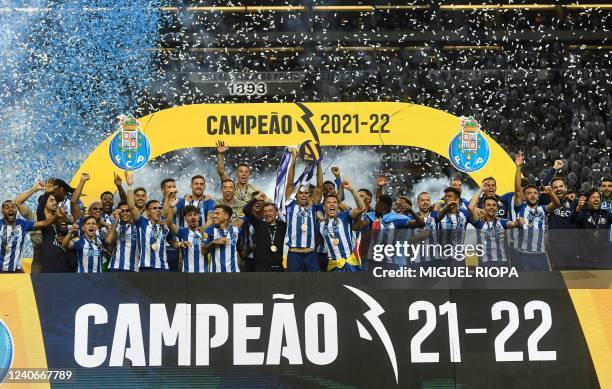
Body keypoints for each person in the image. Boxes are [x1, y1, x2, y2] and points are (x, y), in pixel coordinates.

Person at [511, 151, 560, 270]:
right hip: (523, 255)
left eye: (534, 193)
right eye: (529, 193)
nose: (532, 195)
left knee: (542, 286)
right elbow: (518, 189)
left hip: (540, 255)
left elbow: (557, 204)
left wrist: (551, 193)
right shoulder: (520, 206)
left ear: (538, 196)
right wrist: (518, 167)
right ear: (524, 196)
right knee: (525, 286)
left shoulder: (543, 209)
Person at [317, 180, 366, 271]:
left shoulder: (345, 216)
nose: (332, 204)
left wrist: (351, 189)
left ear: (338, 205)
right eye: (329, 202)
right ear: (324, 207)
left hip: (350, 264)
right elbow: (316, 242)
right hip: (333, 266)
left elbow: (361, 208)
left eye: (335, 202)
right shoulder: (320, 225)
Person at [468, 188, 524, 266]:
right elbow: (470, 207)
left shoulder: (502, 222)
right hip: (484, 264)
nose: (491, 207)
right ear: (484, 208)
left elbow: (514, 224)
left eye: (494, 205)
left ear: (497, 208)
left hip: (502, 263)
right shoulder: (479, 223)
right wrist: (481, 189)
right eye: (488, 205)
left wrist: (519, 222)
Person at [127, 172, 170, 271]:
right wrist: (129, 186)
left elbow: (167, 213)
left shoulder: (164, 226)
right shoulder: (142, 223)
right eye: (154, 208)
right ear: (147, 211)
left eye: (159, 208)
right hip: (146, 267)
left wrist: (168, 198)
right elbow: (131, 206)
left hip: (163, 267)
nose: (158, 210)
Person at [0, 199, 58, 272]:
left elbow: (44, 223)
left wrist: (56, 215)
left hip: (16, 271)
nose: (11, 209)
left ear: (16, 210)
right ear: (2, 212)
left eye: (13, 207)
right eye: (7, 208)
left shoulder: (22, 224)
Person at [243, 193, 286, 272]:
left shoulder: (282, 226)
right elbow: (246, 210)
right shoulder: (258, 224)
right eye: (265, 211)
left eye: (270, 211)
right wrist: (256, 198)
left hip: (278, 266)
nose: (267, 213)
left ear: (276, 213)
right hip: (261, 267)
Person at [166, 203, 207, 273]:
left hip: (205, 273)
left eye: (195, 215)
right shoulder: (182, 231)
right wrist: (171, 207)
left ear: (198, 217)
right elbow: (169, 224)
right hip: (187, 272)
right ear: (185, 218)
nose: (193, 217)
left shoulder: (206, 233)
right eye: (189, 215)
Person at [202, 204, 242, 272]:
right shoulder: (209, 230)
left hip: (233, 272)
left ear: (226, 216)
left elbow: (240, 249)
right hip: (215, 273)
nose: (214, 216)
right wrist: (213, 243)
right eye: (214, 213)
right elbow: (203, 251)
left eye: (217, 214)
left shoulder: (237, 231)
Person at [105, 202, 139, 272]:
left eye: (127, 211)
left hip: (133, 268)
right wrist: (116, 219)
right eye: (122, 211)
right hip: (116, 267)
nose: (125, 213)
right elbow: (108, 240)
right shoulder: (115, 226)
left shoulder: (138, 227)